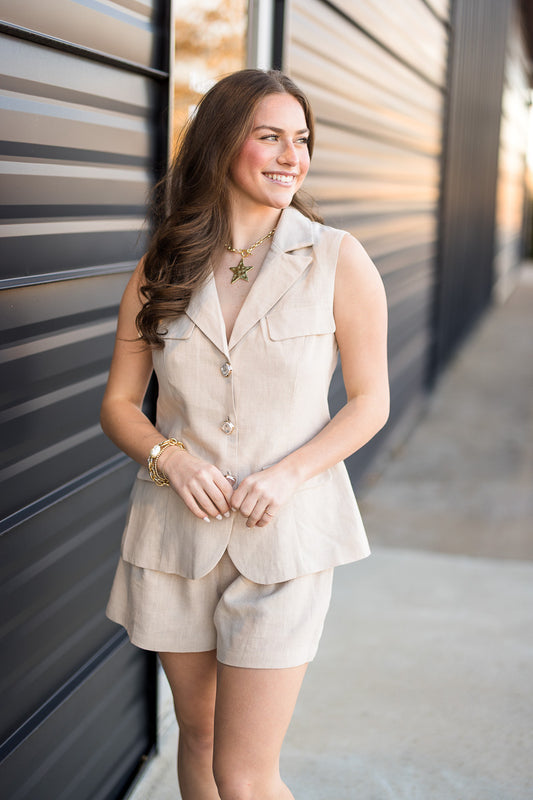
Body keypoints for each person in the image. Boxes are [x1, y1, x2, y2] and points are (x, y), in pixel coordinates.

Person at [101, 68, 389, 800]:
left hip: (284, 541)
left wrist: (288, 475)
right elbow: (120, 406)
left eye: (302, 140)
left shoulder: (336, 258)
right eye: (271, 137)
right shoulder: (161, 264)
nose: (292, 154)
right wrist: (170, 458)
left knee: (245, 774)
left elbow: (369, 402)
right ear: (224, 143)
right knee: (195, 741)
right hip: (174, 540)